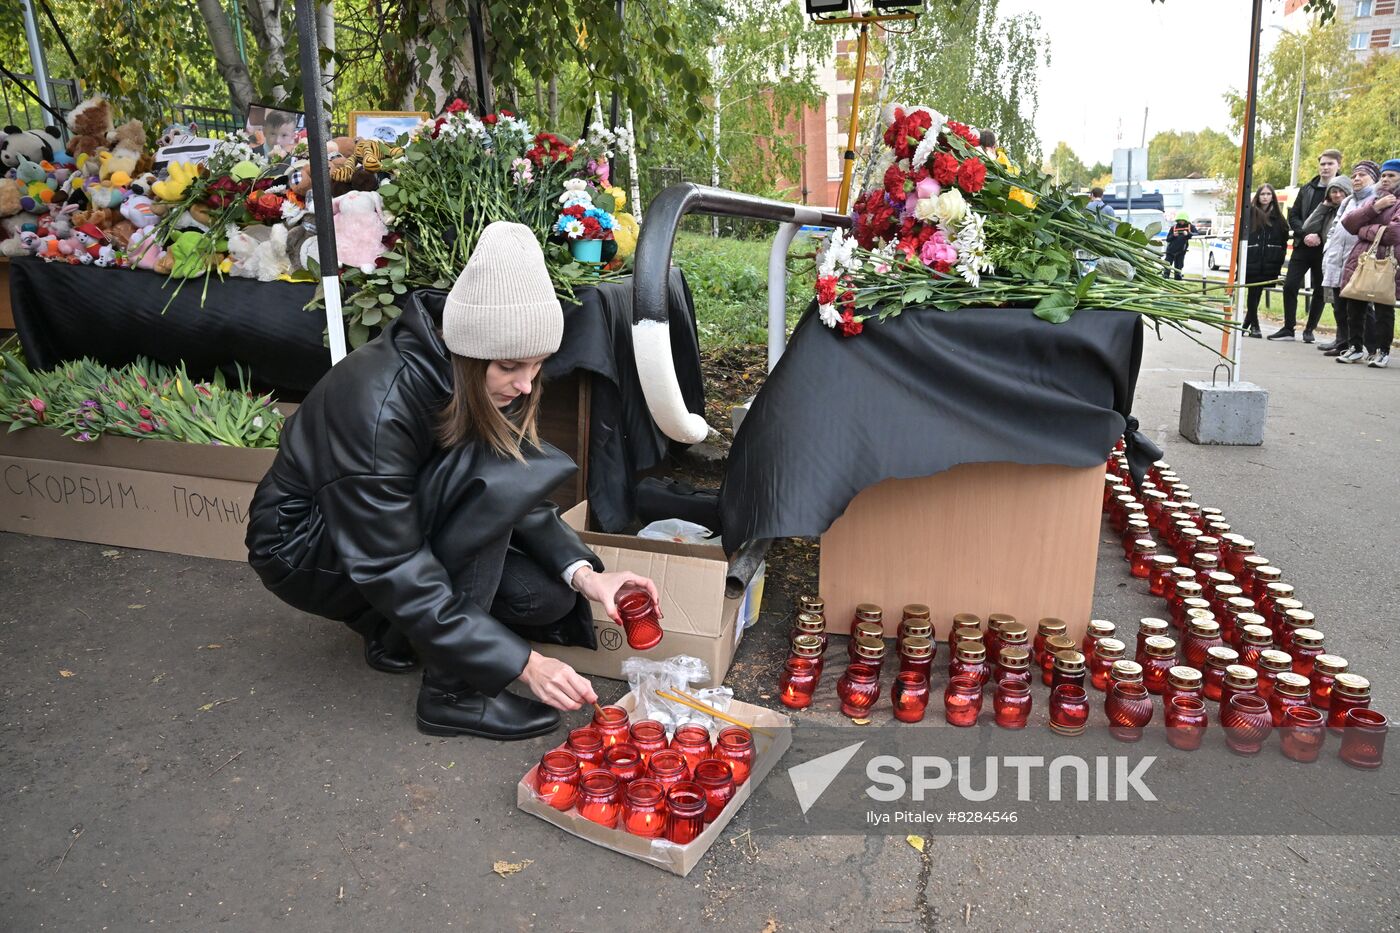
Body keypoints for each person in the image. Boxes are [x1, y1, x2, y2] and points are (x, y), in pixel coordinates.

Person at [246, 222, 660, 740]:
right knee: (483, 499)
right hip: (305, 547)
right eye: (511, 366)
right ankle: (453, 695)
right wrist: (523, 664)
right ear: (467, 351)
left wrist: (586, 575)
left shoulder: (478, 377)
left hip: (383, 529)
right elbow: (394, 560)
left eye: (538, 365)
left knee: (545, 598)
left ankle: (392, 630)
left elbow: (510, 485)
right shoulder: (377, 402)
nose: (527, 383)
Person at [1271, 148, 1342, 342]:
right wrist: (1305, 234)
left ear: (1338, 165)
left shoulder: (1343, 190)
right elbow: (1293, 215)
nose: (1325, 167)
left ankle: (1310, 329)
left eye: (1330, 164)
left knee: (1320, 289)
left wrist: (1320, 237)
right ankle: (1288, 328)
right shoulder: (1307, 189)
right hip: (1303, 245)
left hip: (1326, 249)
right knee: (1290, 285)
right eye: (1323, 164)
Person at [1337, 159, 1400, 368]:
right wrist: (1375, 208)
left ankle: (1382, 351)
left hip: (1386, 261)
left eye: (1391, 176)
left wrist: (1364, 230)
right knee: (1354, 304)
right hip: (1361, 259)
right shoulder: (1375, 200)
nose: (1385, 180)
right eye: (1383, 175)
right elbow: (1348, 223)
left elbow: (1393, 234)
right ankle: (1355, 347)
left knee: (1383, 307)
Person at [1320, 161, 1378, 355]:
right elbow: (1336, 227)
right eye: (1354, 176)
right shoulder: (1347, 201)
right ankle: (1344, 344)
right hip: (1338, 257)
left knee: (1361, 308)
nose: (1357, 179)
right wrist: (1328, 248)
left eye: (1362, 175)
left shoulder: (1376, 199)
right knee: (1340, 306)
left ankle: (1372, 347)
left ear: (1373, 179)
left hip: (1359, 259)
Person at [1241, 184, 1289, 339]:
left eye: (1268, 194)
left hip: (1269, 261)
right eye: (1262, 194)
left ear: (1272, 197)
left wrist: (1278, 259)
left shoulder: (1278, 218)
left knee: (1258, 293)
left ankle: (1246, 324)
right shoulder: (1250, 214)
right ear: (1258, 196)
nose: (1265, 197)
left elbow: (1283, 240)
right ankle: (1255, 326)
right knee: (1253, 293)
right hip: (1252, 259)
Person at [1164, 211, 1193, 280]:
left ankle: (1178, 277)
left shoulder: (1189, 226)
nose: (1181, 222)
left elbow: (1196, 233)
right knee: (1167, 265)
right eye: (1180, 220)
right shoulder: (1173, 227)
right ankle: (1165, 277)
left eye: (1183, 220)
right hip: (1171, 251)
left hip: (1181, 251)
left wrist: (1188, 234)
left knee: (1179, 266)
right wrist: (1173, 235)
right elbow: (1168, 239)